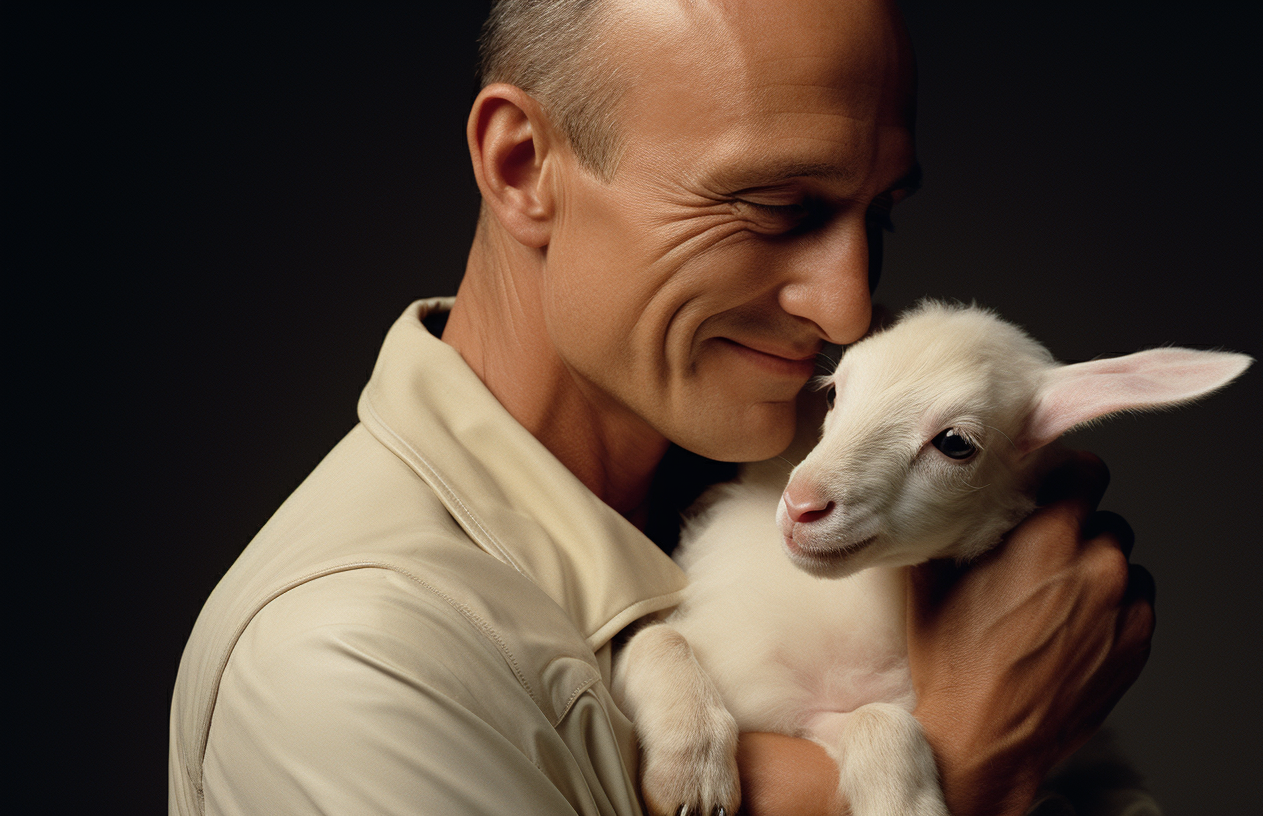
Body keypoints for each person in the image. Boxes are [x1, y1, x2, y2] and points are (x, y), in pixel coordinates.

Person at [168, 0, 1155, 814]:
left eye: (878, 214)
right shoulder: (353, 661)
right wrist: (972, 768)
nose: (849, 308)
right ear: (523, 169)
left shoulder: (827, 481)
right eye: (775, 208)